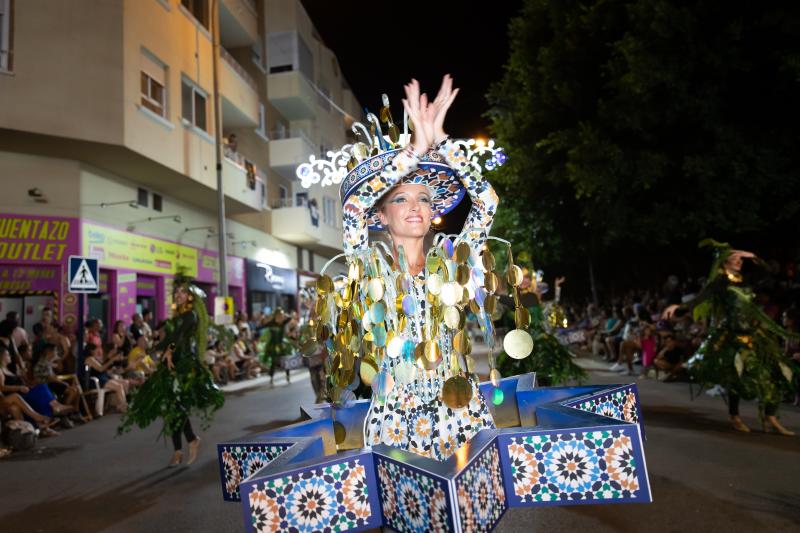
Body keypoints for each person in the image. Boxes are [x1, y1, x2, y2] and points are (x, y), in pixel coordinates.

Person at [305, 76, 510, 460]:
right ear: (382, 214)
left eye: (424, 199)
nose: (415, 206)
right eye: (401, 198)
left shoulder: (453, 260)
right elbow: (352, 209)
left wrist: (443, 139)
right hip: (397, 421)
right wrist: (414, 151)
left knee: (465, 514)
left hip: (460, 410)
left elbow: (486, 201)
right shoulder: (368, 266)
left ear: (433, 213)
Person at [664, 241, 798, 435]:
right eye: (734, 259)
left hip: (752, 335)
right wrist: (678, 307)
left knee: (774, 373)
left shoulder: (745, 280)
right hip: (731, 336)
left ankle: (770, 417)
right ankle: (734, 416)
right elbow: (699, 298)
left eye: (739, 259)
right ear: (723, 262)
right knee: (736, 377)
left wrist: (753, 256)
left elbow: (768, 274)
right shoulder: (720, 282)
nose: (739, 262)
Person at [119, 271, 224, 467]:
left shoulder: (190, 315)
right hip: (172, 362)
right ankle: (180, 448)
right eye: (176, 292)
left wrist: (162, 350)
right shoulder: (179, 315)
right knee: (171, 407)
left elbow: (176, 338)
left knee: (176, 406)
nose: (178, 295)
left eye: (182, 292)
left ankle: (190, 441)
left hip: (183, 364)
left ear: (190, 296)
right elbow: (171, 339)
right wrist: (161, 351)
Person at [84, 343, 129, 415]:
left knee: (125, 382)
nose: (98, 351)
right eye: (96, 349)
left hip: (104, 377)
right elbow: (100, 369)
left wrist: (111, 361)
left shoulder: (96, 357)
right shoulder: (89, 359)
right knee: (118, 386)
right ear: (91, 350)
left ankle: (120, 404)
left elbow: (104, 366)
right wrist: (112, 360)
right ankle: (123, 406)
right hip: (98, 380)